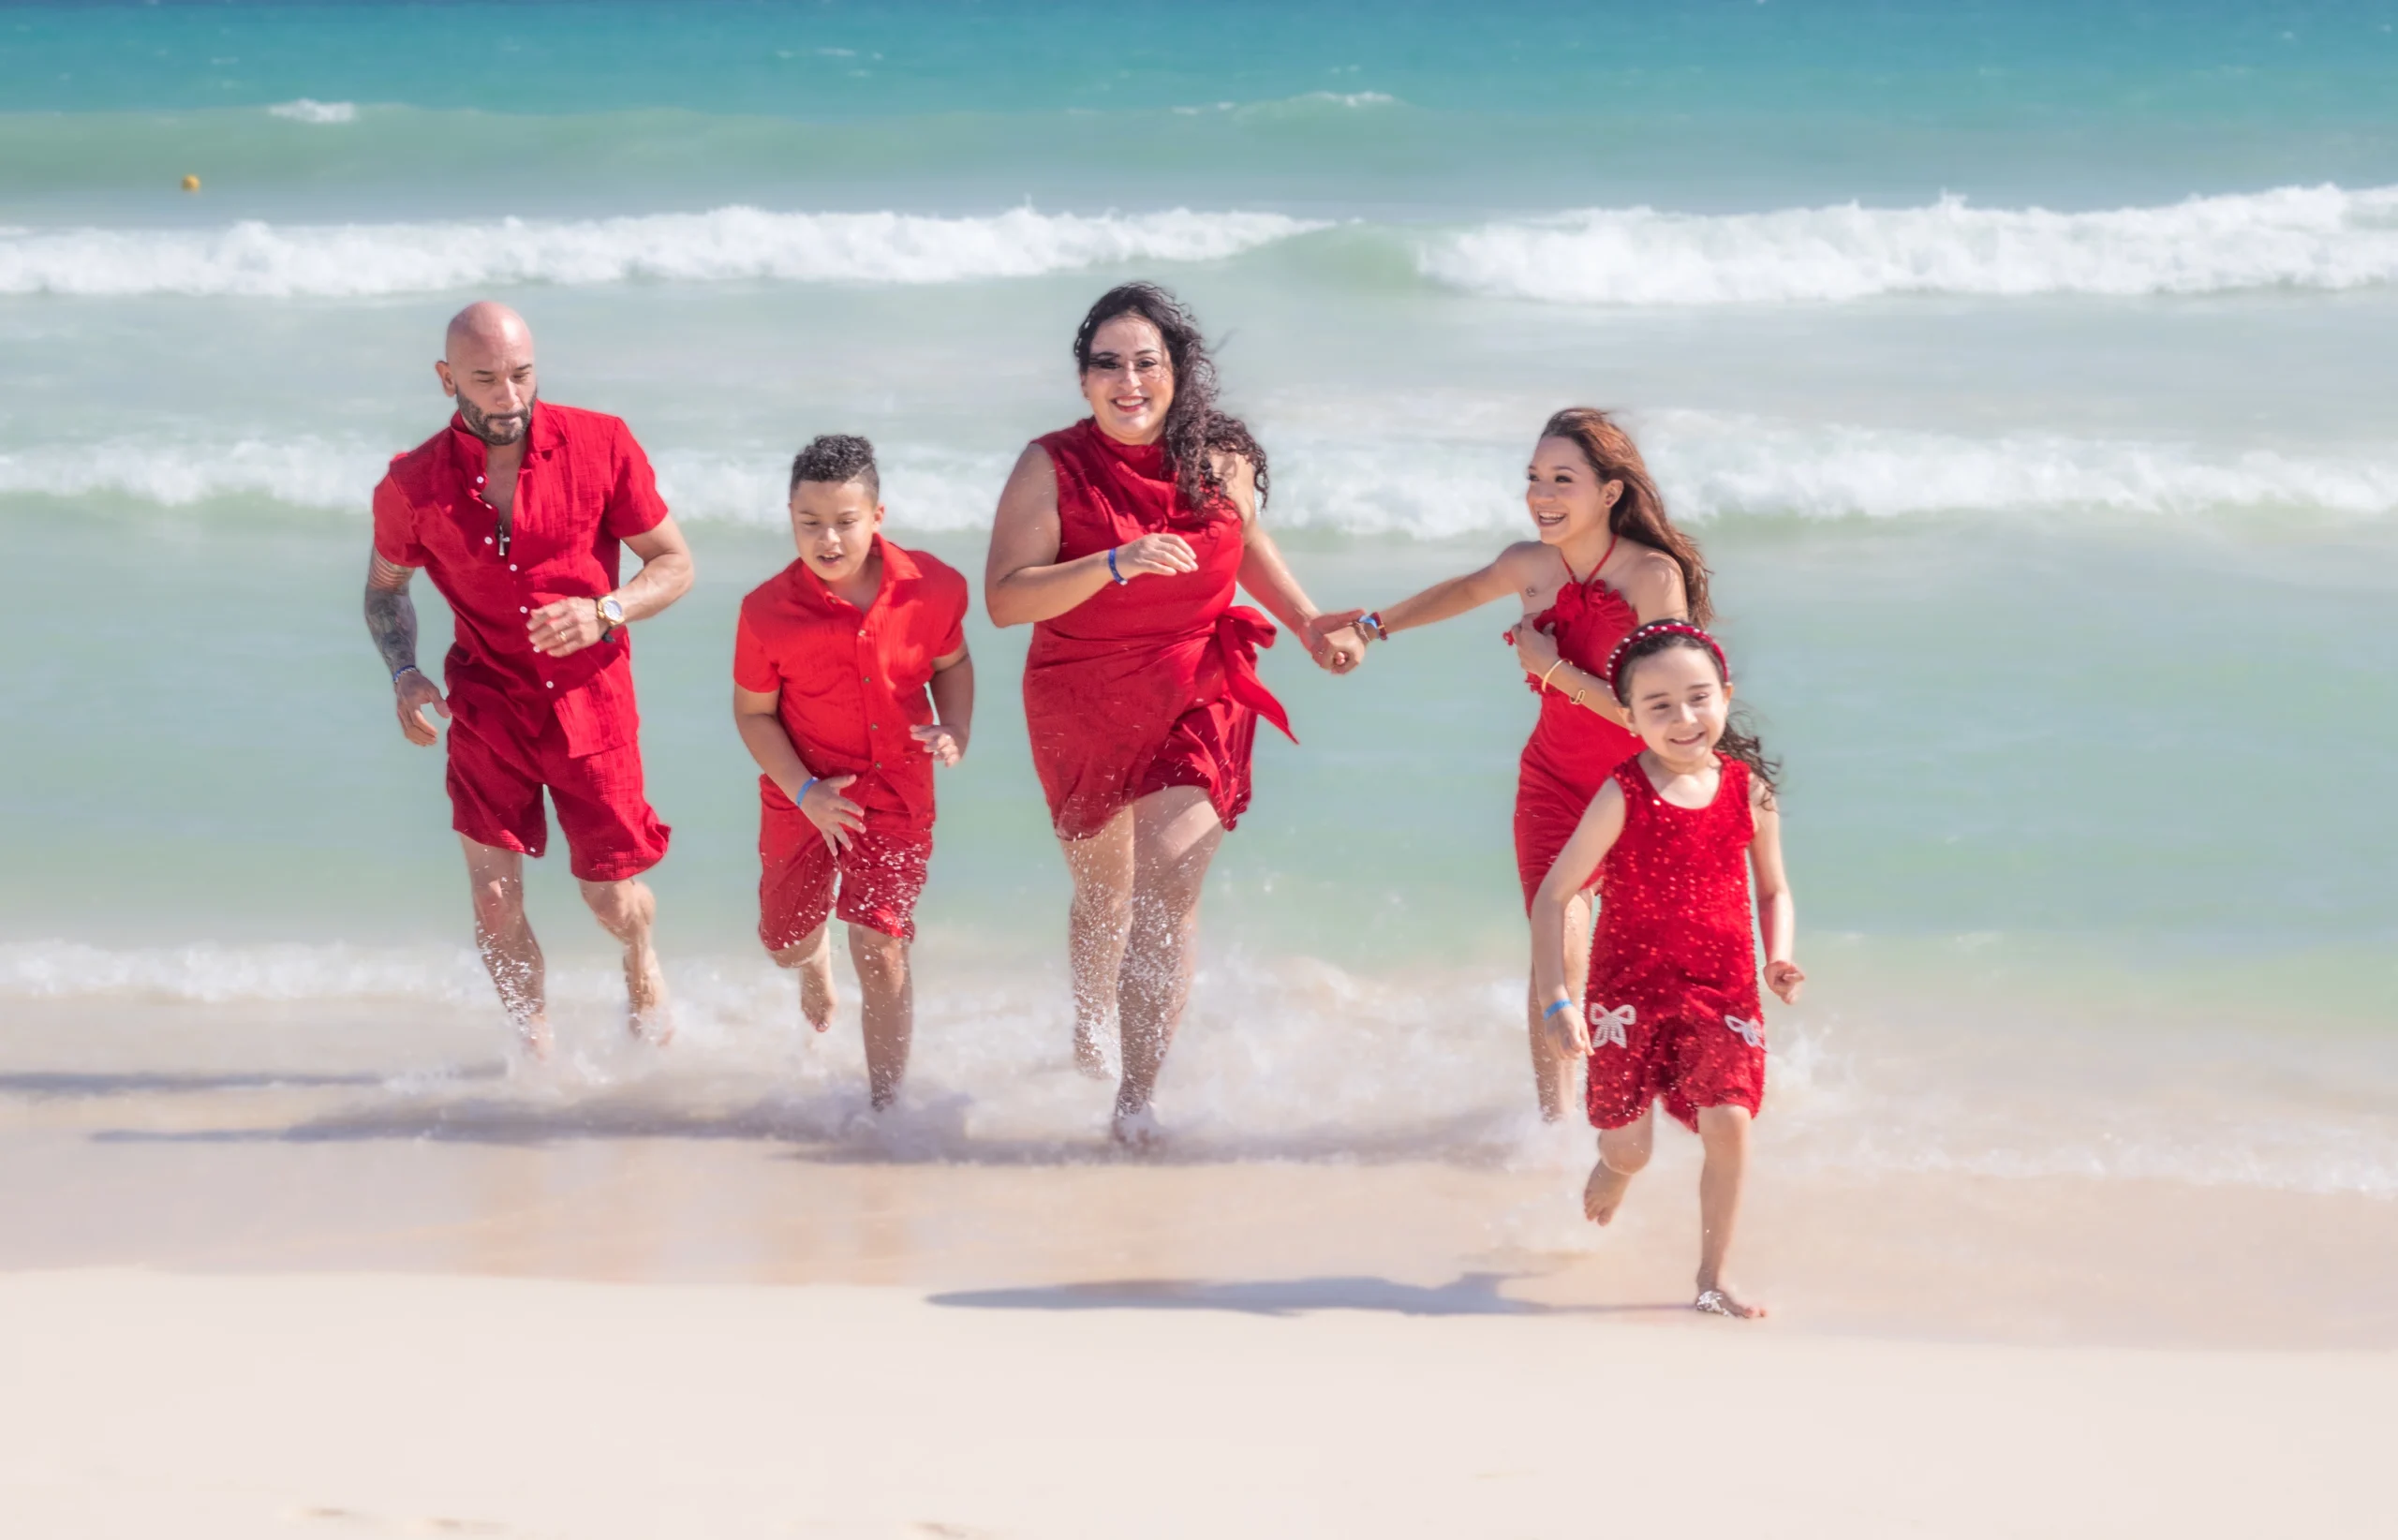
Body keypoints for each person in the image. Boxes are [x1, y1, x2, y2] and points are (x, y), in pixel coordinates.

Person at [984, 281, 1364, 1147]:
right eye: (1107, 365)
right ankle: (1088, 1027)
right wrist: (1112, 563)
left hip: (1200, 681)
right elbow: (1006, 600)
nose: (1129, 380)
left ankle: (1136, 1098)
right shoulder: (1051, 465)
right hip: (1081, 692)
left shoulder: (1219, 456)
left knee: (1167, 886)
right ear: (1083, 381)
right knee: (1102, 889)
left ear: (1175, 371)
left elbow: (1249, 542)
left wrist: (1306, 622)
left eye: (1145, 362)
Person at [1313, 409, 1707, 1121]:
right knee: (1558, 943)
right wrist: (1370, 628)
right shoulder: (1529, 565)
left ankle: (1640, 1106)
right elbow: (1462, 591)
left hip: (1639, 794)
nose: (1541, 494)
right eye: (1533, 478)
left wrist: (1553, 672)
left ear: (1611, 493)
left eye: (1563, 479)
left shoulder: (1653, 576)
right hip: (1554, 786)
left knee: (1645, 966)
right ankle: (1556, 1125)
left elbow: (1662, 713)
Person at [363, 302, 694, 1057]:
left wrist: (606, 610)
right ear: (447, 380)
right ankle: (535, 1056)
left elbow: (675, 564)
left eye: (522, 375)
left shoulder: (602, 443)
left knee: (611, 899)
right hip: (486, 706)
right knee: (491, 898)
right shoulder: (412, 487)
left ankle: (640, 957)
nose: (510, 397)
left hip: (591, 704)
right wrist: (406, 673)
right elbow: (385, 590)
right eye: (486, 380)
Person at [1531, 620, 1803, 1319]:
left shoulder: (1750, 791)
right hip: (1629, 993)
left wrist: (1779, 957)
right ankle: (1615, 1167)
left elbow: (1773, 889)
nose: (1684, 719)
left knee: (1730, 1123)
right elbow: (1556, 894)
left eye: (1698, 698)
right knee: (1631, 1149)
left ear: (1725, 696)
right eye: (1659, 706)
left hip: (1724, 987)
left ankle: (1712, 1278)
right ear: (1629, 717)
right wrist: (1558, 999)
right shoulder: (1623, 792)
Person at [733, 435, 973, 1111]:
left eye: (845, 521)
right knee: (783, 942)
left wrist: (955, 727)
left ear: (877, 516)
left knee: (882, 943)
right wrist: (805, 793)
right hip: (801, 790)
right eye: (810, 523)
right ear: (789, 517)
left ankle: (885, 1111)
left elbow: (953, 665)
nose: (828, 539)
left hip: (896, 790)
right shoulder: (764, 610)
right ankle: (813, 964)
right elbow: (754, 715)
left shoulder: (935, 588)